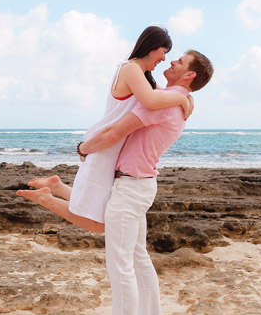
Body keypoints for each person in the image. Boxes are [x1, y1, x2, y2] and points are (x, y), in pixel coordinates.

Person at [42, 50, 213, 315]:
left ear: (189, 75)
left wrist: (83, 149)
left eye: (180, 62)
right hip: (141, 185)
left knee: (120, 266)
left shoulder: (162, 103)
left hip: (132, 187)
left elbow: (114, 133)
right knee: (137, 258)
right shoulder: (176, 101)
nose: (172, 62)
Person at [17, 26, 192, 233]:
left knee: (98, 207)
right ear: (151, 47)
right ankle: (47, 198)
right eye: (164, 52)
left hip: (113, 144)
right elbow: (153, 100)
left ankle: (56, 186)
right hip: (105, 143)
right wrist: (183, 98)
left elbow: (164, 96)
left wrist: (187, 99)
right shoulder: (130, 69)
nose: (164, 59)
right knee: (100, 223)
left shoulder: (143, 76)